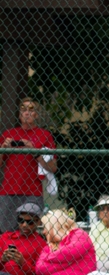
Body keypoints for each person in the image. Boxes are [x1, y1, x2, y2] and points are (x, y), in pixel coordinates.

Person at [0, 97, 56, 234]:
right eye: (24, 109)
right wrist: (3, 148)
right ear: (19, 115)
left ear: (36, 114)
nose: (27, 113)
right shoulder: (9, 134)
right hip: (9, 190)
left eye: (31, 110)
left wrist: (34, 151)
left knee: (29, 232)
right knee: (6, 232)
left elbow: (53, 167)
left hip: (32, 191)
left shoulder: (45, 135)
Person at [0, 202, 47, 275]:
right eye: (21, 220)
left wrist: (22, 262)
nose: (24, 225)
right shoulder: (5, 237)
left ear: (38, 222)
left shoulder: (41, 244)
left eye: (29, 222)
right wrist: (2, 260)